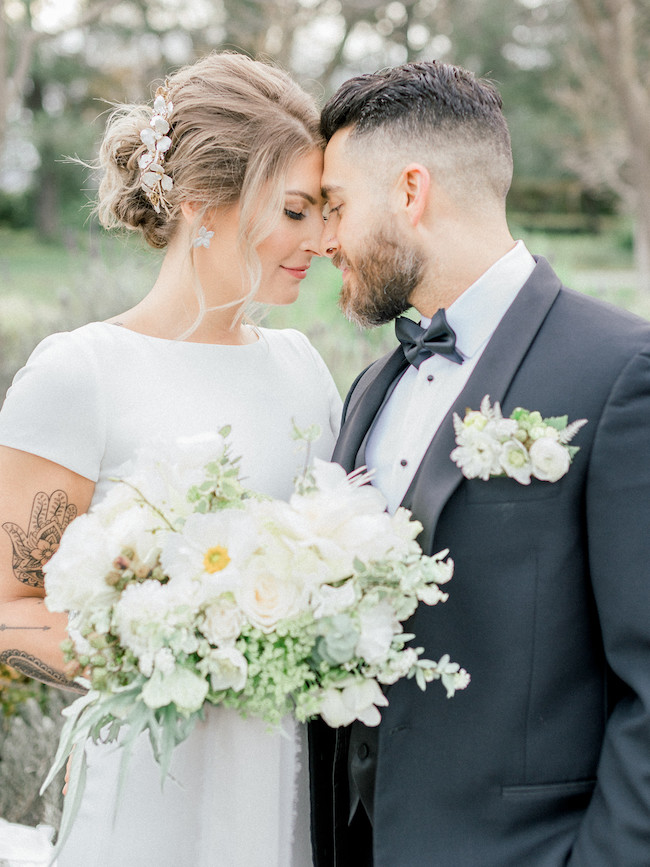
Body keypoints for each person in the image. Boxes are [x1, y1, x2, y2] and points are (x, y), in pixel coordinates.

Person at [0, 51, 342, 867]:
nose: (323, 240)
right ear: (201, 205)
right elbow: (9, 605)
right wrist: (173, 652)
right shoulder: (81, 372)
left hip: (290, 781)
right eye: (296, 210)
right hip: (147, 786)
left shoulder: (302, 366)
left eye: (326, 212)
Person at [309, 59, 650, 866]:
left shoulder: (621, 371)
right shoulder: (371, 387)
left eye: (336, 205)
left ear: (411, 191)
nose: (324, 240)